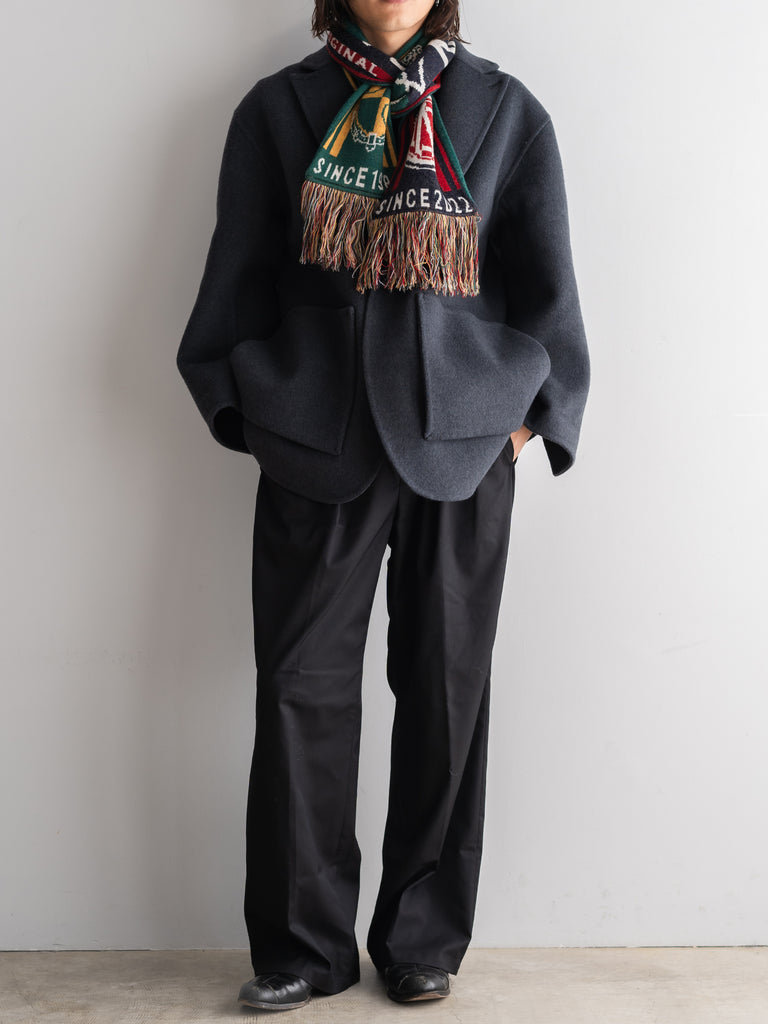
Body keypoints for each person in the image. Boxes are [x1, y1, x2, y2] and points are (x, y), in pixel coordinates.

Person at [176, 0, 590, 1011]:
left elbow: (549, 290)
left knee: (448, 692)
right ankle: (302, 949)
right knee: (298, 688)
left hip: (465, 445)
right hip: (316, 443)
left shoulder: (505, 109)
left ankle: (422, 938)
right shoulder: (279, 109)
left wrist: (528, 425)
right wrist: (252, 412)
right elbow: (235, 282)